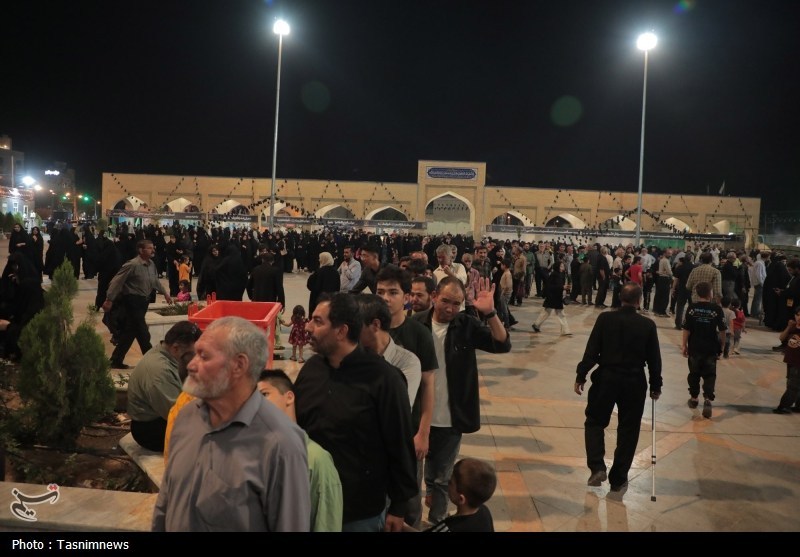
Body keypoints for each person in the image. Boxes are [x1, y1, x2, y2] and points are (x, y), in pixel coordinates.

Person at [152, 316, 311, 532]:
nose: (191, 365)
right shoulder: (185, 416)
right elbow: (166, 501)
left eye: (204, 356)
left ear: (238, 365)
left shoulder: (281, 444)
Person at [293, 293, 418, 532]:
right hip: (310, 498)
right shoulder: (312, 369)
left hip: (357, 511)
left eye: (318, 321)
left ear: (341, 331)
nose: (308, 327)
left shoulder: (384, 379)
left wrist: (399, 506)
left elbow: (400, 442)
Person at [413, 276, 511, 524]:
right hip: (417, 416)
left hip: (451, 418)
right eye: (445, 301)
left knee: (443, 478)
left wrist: (490, 313)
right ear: (434, 296)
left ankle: (437, 522)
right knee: (412, 477)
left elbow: (502, 344)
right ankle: (411, 521)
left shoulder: (466, 325)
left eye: (456, 304)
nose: (450, 308)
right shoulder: (415, 324)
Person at [574, 283, 662, 492]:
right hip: (634, 381)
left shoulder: (605, 319)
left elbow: (592, 350)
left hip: (607, 377)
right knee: (629, 429)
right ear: (639, 301)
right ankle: (618, 477)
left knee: (595, 421)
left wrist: (581, 374)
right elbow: (654, 358)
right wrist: (655, 385)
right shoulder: (647, 325)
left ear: (620, 297)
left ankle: (597, 467)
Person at [256, 370, 343, 531]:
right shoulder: (252, 455)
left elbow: (326, 523)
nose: (256, 404)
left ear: (289, 397)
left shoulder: (316, 458)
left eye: (264, 394)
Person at [127, 321, 201, 452]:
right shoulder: (160, 371)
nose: (197, 358)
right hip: (151, 429)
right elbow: (178, 416)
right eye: (193, 353)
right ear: (176, 348)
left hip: (160, 418)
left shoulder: (169, 354)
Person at [103, 239, 173, 370]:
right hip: (132, 301)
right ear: (141, 250)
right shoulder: (132, 265)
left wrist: (165, 293)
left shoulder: (151, 264)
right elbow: (116, 282)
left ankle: (116, 360)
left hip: (144, 302)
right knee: (143, 332)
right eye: (149, 248)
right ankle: (152, 361)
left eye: (153, 247)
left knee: (130, 332)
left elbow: (155, 281)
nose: (153, 250)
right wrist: (109, 299)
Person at [356, 293, 422, 409]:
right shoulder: (349, 355)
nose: (349, 331)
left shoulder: (407, 362)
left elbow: (397, 410)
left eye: (355, 326)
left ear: (375, 325)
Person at [404, 458, 497, 532]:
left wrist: (402, 526)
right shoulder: (484, 511)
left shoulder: (449, 528)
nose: (448, 483)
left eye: (451, 483)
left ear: (461, 499)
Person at [681, 282, 726, 419]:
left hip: (695, 347)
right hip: (711, 348)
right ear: (710, 293)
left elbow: (686, 328)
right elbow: (723, 330)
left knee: (694, 374)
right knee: (710, 375)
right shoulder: (716, 309)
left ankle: (694, 398)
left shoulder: (692, 308)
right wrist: (722, 346)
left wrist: (684, 345)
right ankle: (707, 398)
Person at [531, 260, 571, 335]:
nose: (563, 267)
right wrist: (562, 287)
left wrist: (564, 287)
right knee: (559, 314)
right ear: (557, 267)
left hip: (555, 297)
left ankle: (536, 325)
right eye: (561, 266)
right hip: (553, 297)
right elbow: (550, 287)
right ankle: (565, 331)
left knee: (547, 312)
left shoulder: (559, 274)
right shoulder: (554, 275)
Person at [773, 306, 800, 414]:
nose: (799, 317)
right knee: (793, 383)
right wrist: (788, 327)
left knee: (793, 386)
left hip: (798, 362)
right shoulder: (793, 327)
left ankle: (784, 406)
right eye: (797, 315)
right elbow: (782, 338)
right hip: (791, 361)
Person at [307, 251, 340, 316]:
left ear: (324, 259)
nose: (319, 260)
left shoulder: (319, 272)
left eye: (320, 258)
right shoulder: (336, 273)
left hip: (318, 302)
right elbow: (337, 288)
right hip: (331, 302)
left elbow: (310, 285)